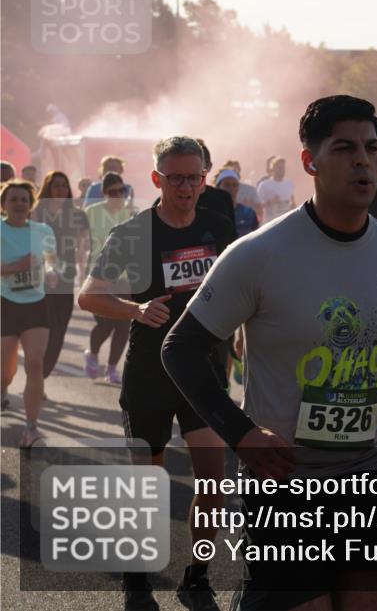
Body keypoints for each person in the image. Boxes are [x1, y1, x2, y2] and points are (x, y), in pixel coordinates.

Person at [160, 95, 377, 611]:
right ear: (310, 161)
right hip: (286, 481)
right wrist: (240, 433)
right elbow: (180, 348)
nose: (363, 160)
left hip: (374, 477)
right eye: (345, 148)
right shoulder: (257, 255)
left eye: (372, 148)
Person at [79, 136, 235, 611]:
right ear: (156, 179)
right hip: (150, 371)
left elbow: (240, 289)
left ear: (205, 177)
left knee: (212, 481)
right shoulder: (133, 233)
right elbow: (88, 296)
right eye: (175, 177)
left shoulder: (217, 226)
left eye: (194, 177)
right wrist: (135, 307)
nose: (186, 186)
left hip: (205, 371)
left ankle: (197, 574)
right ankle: (137, 578)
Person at [1, 179, 56, 445]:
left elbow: (51, 261)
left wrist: (52, 273)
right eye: (13, 199)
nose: (19, 203)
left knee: (35, 363)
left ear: (31, 204)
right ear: (4, 205)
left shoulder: (43, 230)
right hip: (6, 303)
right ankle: (3, 389)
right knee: (5, 372)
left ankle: (31, 427)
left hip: (36, 303)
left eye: (24, 199)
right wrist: (17, 267)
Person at [32, 171, 90, 379]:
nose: (61, 189)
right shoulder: (36, 211)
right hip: (40, 279)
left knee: (58, 333)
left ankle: (40, 377)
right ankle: (36, 379)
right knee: (46, 329)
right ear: (48, 187)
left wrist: (84, 272)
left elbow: (84, 246)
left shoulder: (77, 214)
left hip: (66, 278)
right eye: (56, 185)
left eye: (64, 185)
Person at [82, 173, 134, 384]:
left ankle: (112, 367)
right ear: (104, 193)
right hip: (99, 276)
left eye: (121, 191)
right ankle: (92, 354)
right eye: (112, 192)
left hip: (125, 276)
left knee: (123, 324)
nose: (117, 195)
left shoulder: (130, 213)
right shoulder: (91, 213)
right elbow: (82, 242)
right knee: (105, 323)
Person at [194, 139, 236, 226]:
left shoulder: (223, 198)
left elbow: (232, 236)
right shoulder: (172, 200)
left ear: (209, 166)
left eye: (199, 164)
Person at [215, 168, 258, 238]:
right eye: (227, 185)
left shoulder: (250, 213)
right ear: (218, 188)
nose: (231, 189)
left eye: (235, 185)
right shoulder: (212, 214)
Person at [256, 155, 295, 222]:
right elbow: (257, 207)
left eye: (283, 168)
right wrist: (270, 202)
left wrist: (292, 206)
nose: (282, 170)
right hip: (271, 223)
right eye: (279, 168)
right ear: (273, 169)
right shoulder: (264, 185)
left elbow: (292, 201)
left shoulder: (289, 183)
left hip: (287, 221)